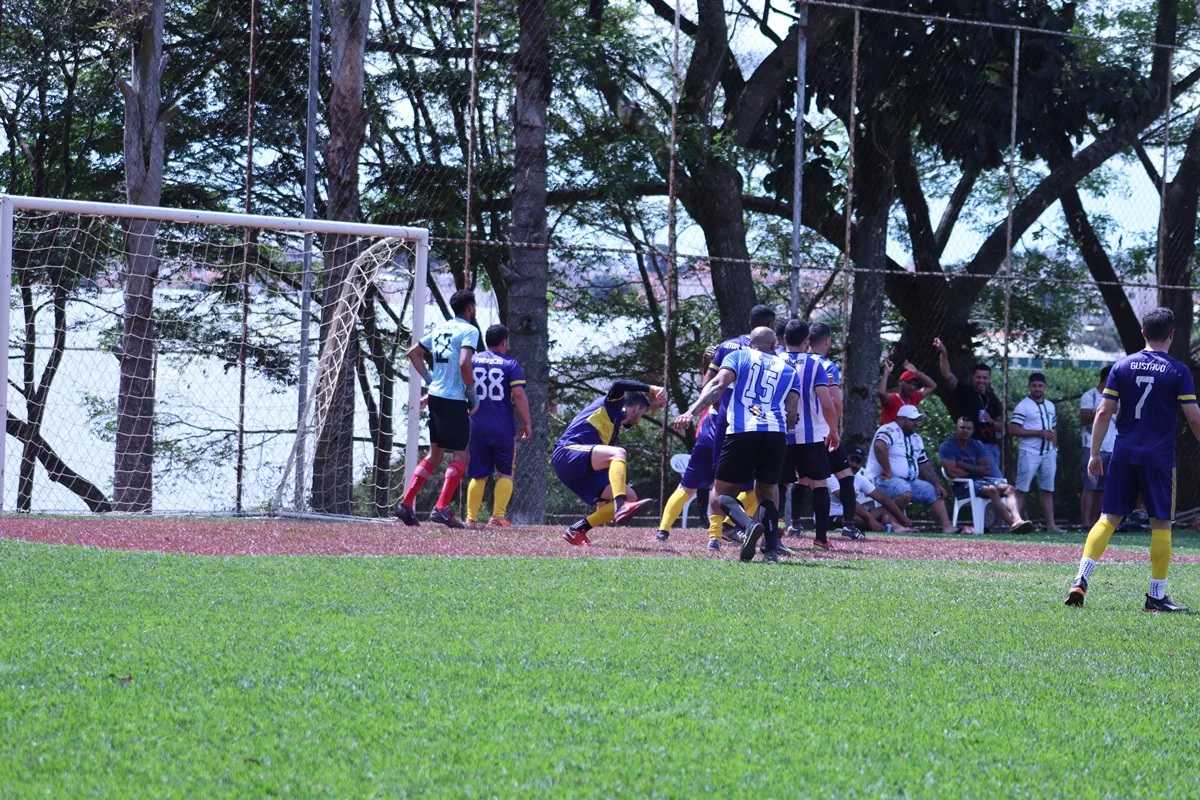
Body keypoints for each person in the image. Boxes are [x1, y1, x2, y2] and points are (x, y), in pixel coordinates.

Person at [1066, 307, 1200, 612]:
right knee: (1161, 524)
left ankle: (1080, 579)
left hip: (1124, 454)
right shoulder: (1179, 371)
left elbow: (1103, 412)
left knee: (1107, 519)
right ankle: (1156, 596)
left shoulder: (1122, 366)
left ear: (1143, 333)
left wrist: (1094, 453)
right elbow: (1194, 419)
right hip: (1158, 458)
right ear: (1172, 334)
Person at [676, 326, 814, 563]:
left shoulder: (738, 356)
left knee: (722, 493)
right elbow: (791, 413)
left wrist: (691, 411)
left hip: (742, 431)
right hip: (775, 435)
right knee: (766, 494)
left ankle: (748, 525)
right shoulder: (788, 370)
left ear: (750, 343)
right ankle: (771, 552)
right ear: (774, 345)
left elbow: (717, 386)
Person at [395, 289, 482, 528]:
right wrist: (471, 393)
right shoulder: (470, 330)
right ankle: (441, 508)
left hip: (435, 397)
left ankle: (406, 505)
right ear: (471, 308)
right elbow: (464, 363)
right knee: (462, 456)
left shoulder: (440, 328)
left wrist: (430, 380)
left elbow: (413, 353)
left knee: (435, 455)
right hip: (454, 400)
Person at [698, 304, 778, 547]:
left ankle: (715, 536)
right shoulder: (776, 353)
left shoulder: (727, 346)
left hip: (728, 421)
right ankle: (769, 539)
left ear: (749, 323)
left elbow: (707, 384)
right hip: (767, 425)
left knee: (721, 483)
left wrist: (700, 408)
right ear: (772, 327)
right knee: (766, 485)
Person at [555, 379, 666, 545]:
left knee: (631, 496)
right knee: (619, 453)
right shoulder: (612, 404)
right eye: (641, 415)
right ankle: (621, 505)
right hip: (566, 453)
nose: (638, 421)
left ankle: (577, 530)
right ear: (635, 409)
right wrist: (652, 388)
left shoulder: (613, 429)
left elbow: (604, 462)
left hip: (581, 469)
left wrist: (602, 501)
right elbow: (618, 385)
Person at [787, 322, 867, 541]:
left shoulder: (787, 360)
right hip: (821, 432)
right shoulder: (825, 366)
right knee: (843, 475)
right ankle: (848, 526)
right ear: (827, 341)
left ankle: (794, 525)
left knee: (801, 479)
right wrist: (834, 428)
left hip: (792, 431)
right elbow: (834, 402)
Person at [776, 318, 841, 550]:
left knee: (779, 483)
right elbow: (827, 402)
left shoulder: (774, 360)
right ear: (806, 340)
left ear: (784, 339)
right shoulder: (816, 365)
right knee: (820, 484)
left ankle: (775, 532)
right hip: (811, 435)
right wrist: (833, 430)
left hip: (781, 433)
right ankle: (820, 539)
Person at [464, 324, 533, 528]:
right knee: (505, 472)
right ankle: (497, 517)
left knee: (479, 473)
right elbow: (518, 394)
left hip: (476, 424)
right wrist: (527, 422)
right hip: (502, 426)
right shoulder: (510, 363)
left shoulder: (472, 360)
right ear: (504, 342)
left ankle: (471, 518)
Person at [656, 347, 719, 542]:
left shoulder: (721, 378)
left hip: (707, 433)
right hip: (724, 433)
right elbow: (708, 381)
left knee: (688, 487)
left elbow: (708, 381)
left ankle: (663, 531)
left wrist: (708, 360)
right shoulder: (740, 373)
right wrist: (707, 360)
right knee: (745, 488)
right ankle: (726, 529)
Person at [865, 405, 955, 533]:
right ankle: (893, 523)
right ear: (901, 419)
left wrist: (937, 484)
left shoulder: (916, 438)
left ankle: (947, 526)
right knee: (904, 490)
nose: (916, 423)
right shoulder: (889, 429)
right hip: (882, 479)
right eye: (913, 420)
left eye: (917, 420)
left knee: (933, 491)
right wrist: (887, 470)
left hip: (908, 481)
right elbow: (879, 446)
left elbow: (924, 464)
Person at [939, 416, 1033, 534]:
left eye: (968, 428)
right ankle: (1013, 525)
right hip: (963, 486)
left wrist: (964, 465)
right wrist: (976, 469)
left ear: (973, 430)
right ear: (956, 428)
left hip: (981, 481)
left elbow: (986, 469)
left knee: (1009, 489)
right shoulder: (947, 446)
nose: (965, 430)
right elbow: (952, 473)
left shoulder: (977, 444)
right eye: (962, 427)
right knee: (992, 489)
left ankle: (1018, 520)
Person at [933, 338, 1004, 479]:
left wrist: (991, 421)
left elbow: (1002, 426)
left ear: (989, 379)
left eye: (985, 378)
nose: (981, 381)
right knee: (999, 482)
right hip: (977, 446)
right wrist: (943, 353)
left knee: (991, 483)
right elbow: (947, 375)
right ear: (973, 377)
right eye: (978, 377)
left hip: (993, 446)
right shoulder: (965, 391)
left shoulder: (992, 399)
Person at [1010, 372, 1060, 531]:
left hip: (1048, 453)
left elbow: (1054, 428)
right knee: (1021, 488)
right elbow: (1014, 429)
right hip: (1029, 452)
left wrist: (1054, 448)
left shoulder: (1050, 406)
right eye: (1034, 386)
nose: (1037, 389)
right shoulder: (1023, 406)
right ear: (1029, 387)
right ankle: (1015, 522)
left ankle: (1051, 525)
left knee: (1047, 489)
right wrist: (1038, 433)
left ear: (1045, 386)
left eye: (1040, 386)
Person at [828, 445, 915, 533]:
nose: (854, 464)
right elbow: (848, 500)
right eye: (852, 460)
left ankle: (895, 526)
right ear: (845, 459)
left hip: (853, 513)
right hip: (833, 516)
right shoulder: (832, 476)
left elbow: (881, 498)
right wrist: (870, 519)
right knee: (854, 519)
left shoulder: (859, 478)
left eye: (858, 462)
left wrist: (902, 517)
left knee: (887, 509)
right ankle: (888, 525)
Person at [1080, 365, 1116, 529]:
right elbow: (1084, 417)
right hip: (1092, 446)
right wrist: (1105, 410)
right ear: (1108, 378)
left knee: (1103, 488)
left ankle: (1096, 522)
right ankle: (1085, 522)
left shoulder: (1118, 398)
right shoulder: (1090, 395)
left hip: (1111, 446)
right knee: (1090, 486)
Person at [877, 358, 937, 425]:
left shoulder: (914, 397)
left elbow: (932, 385)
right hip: (889, 431)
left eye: (914, 384)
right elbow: (881, 392)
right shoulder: (893, 399)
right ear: (900, 382)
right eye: (908, 383)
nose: (911, 387)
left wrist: (915, 371)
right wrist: (886, 371)